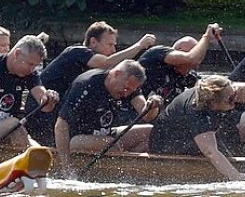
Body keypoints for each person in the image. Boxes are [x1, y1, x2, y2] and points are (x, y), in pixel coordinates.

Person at [26, 22, 155, 145]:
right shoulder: (76, 52)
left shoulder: (105, 76)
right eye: (110, 45)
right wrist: (139, 46)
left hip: (64, 113)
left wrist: (153, 104)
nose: (114, 50)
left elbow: (143, 111)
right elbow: (107, 62)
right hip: (41, 113)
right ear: (93, 42)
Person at [53, 60, 152, 175]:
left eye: (131, 91)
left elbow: (147, 114)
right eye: (125, 88)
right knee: (110, 143)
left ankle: (129, 167)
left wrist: (154, 103)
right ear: (117, 74)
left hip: (106, 135)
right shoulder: (86, 84)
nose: (126, 94)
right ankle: (125, 168)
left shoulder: (129, 86)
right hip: (76, 140)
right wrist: (66, 168)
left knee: (149, 132)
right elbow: (61, 125)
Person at [149, 74, 245, 181]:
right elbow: (210, 151)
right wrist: (235, 176)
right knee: (216, 154)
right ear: (213, 101)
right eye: (231, 98)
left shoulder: (219, 92)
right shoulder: (196, 110)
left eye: (235, 93)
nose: (235, 99)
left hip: (189, 136)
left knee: (225, 152)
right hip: (167, 145)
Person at [139, 25, 226, 102]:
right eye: (196, 55)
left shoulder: (189, 77)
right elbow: (191, 59)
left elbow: (208, 88)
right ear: (179, 51)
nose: (196, 65)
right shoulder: (157, 54)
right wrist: (207, 37)